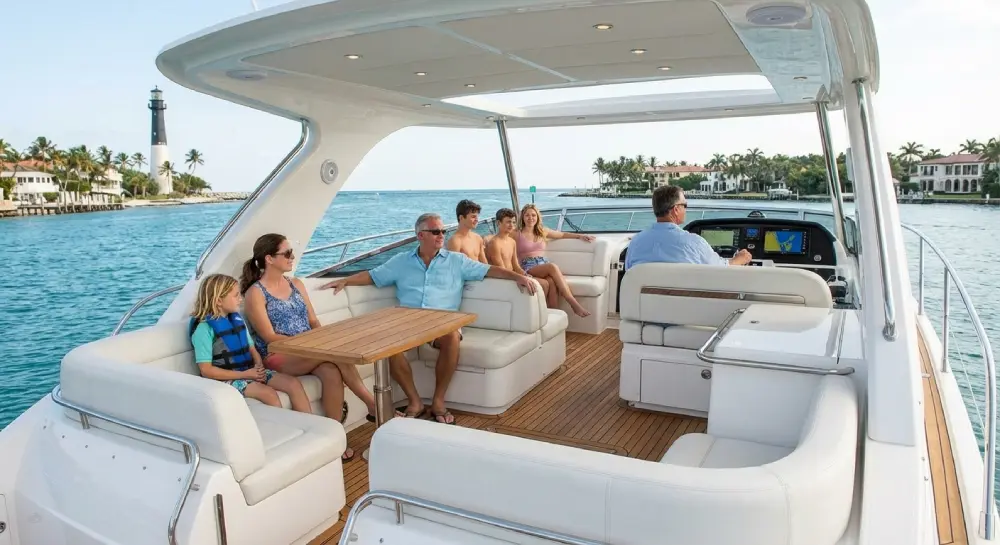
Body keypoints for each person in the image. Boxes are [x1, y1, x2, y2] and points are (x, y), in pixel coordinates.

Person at [321, 212, 537, 425]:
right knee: (386, 346)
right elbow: (372, 275)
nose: (441, 235)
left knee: (452, 336)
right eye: (435, 231)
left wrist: (518, 276)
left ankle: (438, 401)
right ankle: (414, 401)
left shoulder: (456, 261)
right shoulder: (401, 261)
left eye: (443, 231)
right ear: (420, 235)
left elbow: (489, 270)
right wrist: (346, 281)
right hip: (406, 321)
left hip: (442, 322)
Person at [242, 233, 393, 461]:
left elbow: (313, 320)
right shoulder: (256, 293)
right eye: (287, 253)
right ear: (269, 259)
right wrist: (313, 345)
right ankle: (373, 404)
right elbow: (269, 337)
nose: (292, 257)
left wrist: (323, 340)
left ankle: (335, 439)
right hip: (280, 355)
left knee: (332, 370)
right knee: (339, 356)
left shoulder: (296, 284)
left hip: (311, 350)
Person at [190, 273, 312, 412]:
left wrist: (258, 366)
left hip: (248, 372)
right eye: (236, 295)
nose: (240, 299)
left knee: (293, 383)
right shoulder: (204, 329)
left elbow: (252, 349)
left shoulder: (236, 320)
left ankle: (310, 425)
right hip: (225, 380)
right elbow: (206, 370)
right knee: (268, 394)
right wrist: (246, 374)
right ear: (218, 300)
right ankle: (279, 429)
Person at [625, 186, 753, 269]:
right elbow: (720, 269)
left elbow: (629, 273)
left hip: (643, 309)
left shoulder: (636, 242)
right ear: (675, 209)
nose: (686, 209)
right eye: (684, 205)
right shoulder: (694, 242)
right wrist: (739, 259)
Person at [515, 203, 592, 318]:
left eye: (533, 215)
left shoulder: (542, 231)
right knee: (552, 267)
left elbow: (561, 235)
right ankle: (573, 303)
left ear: (537, 217)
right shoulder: (516, 234)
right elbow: (499, 238)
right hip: (528, 266)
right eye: (527, 215)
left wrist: (579, 236)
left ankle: (554, 317)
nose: (530, 218)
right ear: (522, 217)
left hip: (542, 264)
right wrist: (485, 239)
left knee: (551, 281)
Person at [487, 207, 556, 308]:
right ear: (498, 223)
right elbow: (501, 270)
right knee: (544, 284)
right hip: (503, 278)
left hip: (513, 274)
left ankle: (543, 312)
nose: (512, 225)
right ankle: (537, 312)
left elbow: (516, 265)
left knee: (547, 282)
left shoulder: (512, 242)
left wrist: (525, 275)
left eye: (514, 222)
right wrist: (519, 278)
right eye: (508, 222)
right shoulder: (494, 243)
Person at [446, 199, 487, 263]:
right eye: (473, 217)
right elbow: (454, 269)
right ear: (461, 218)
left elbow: (484, 264)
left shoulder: (478, 238)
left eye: (477, 217)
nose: (477, 220)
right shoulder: (455, 241)